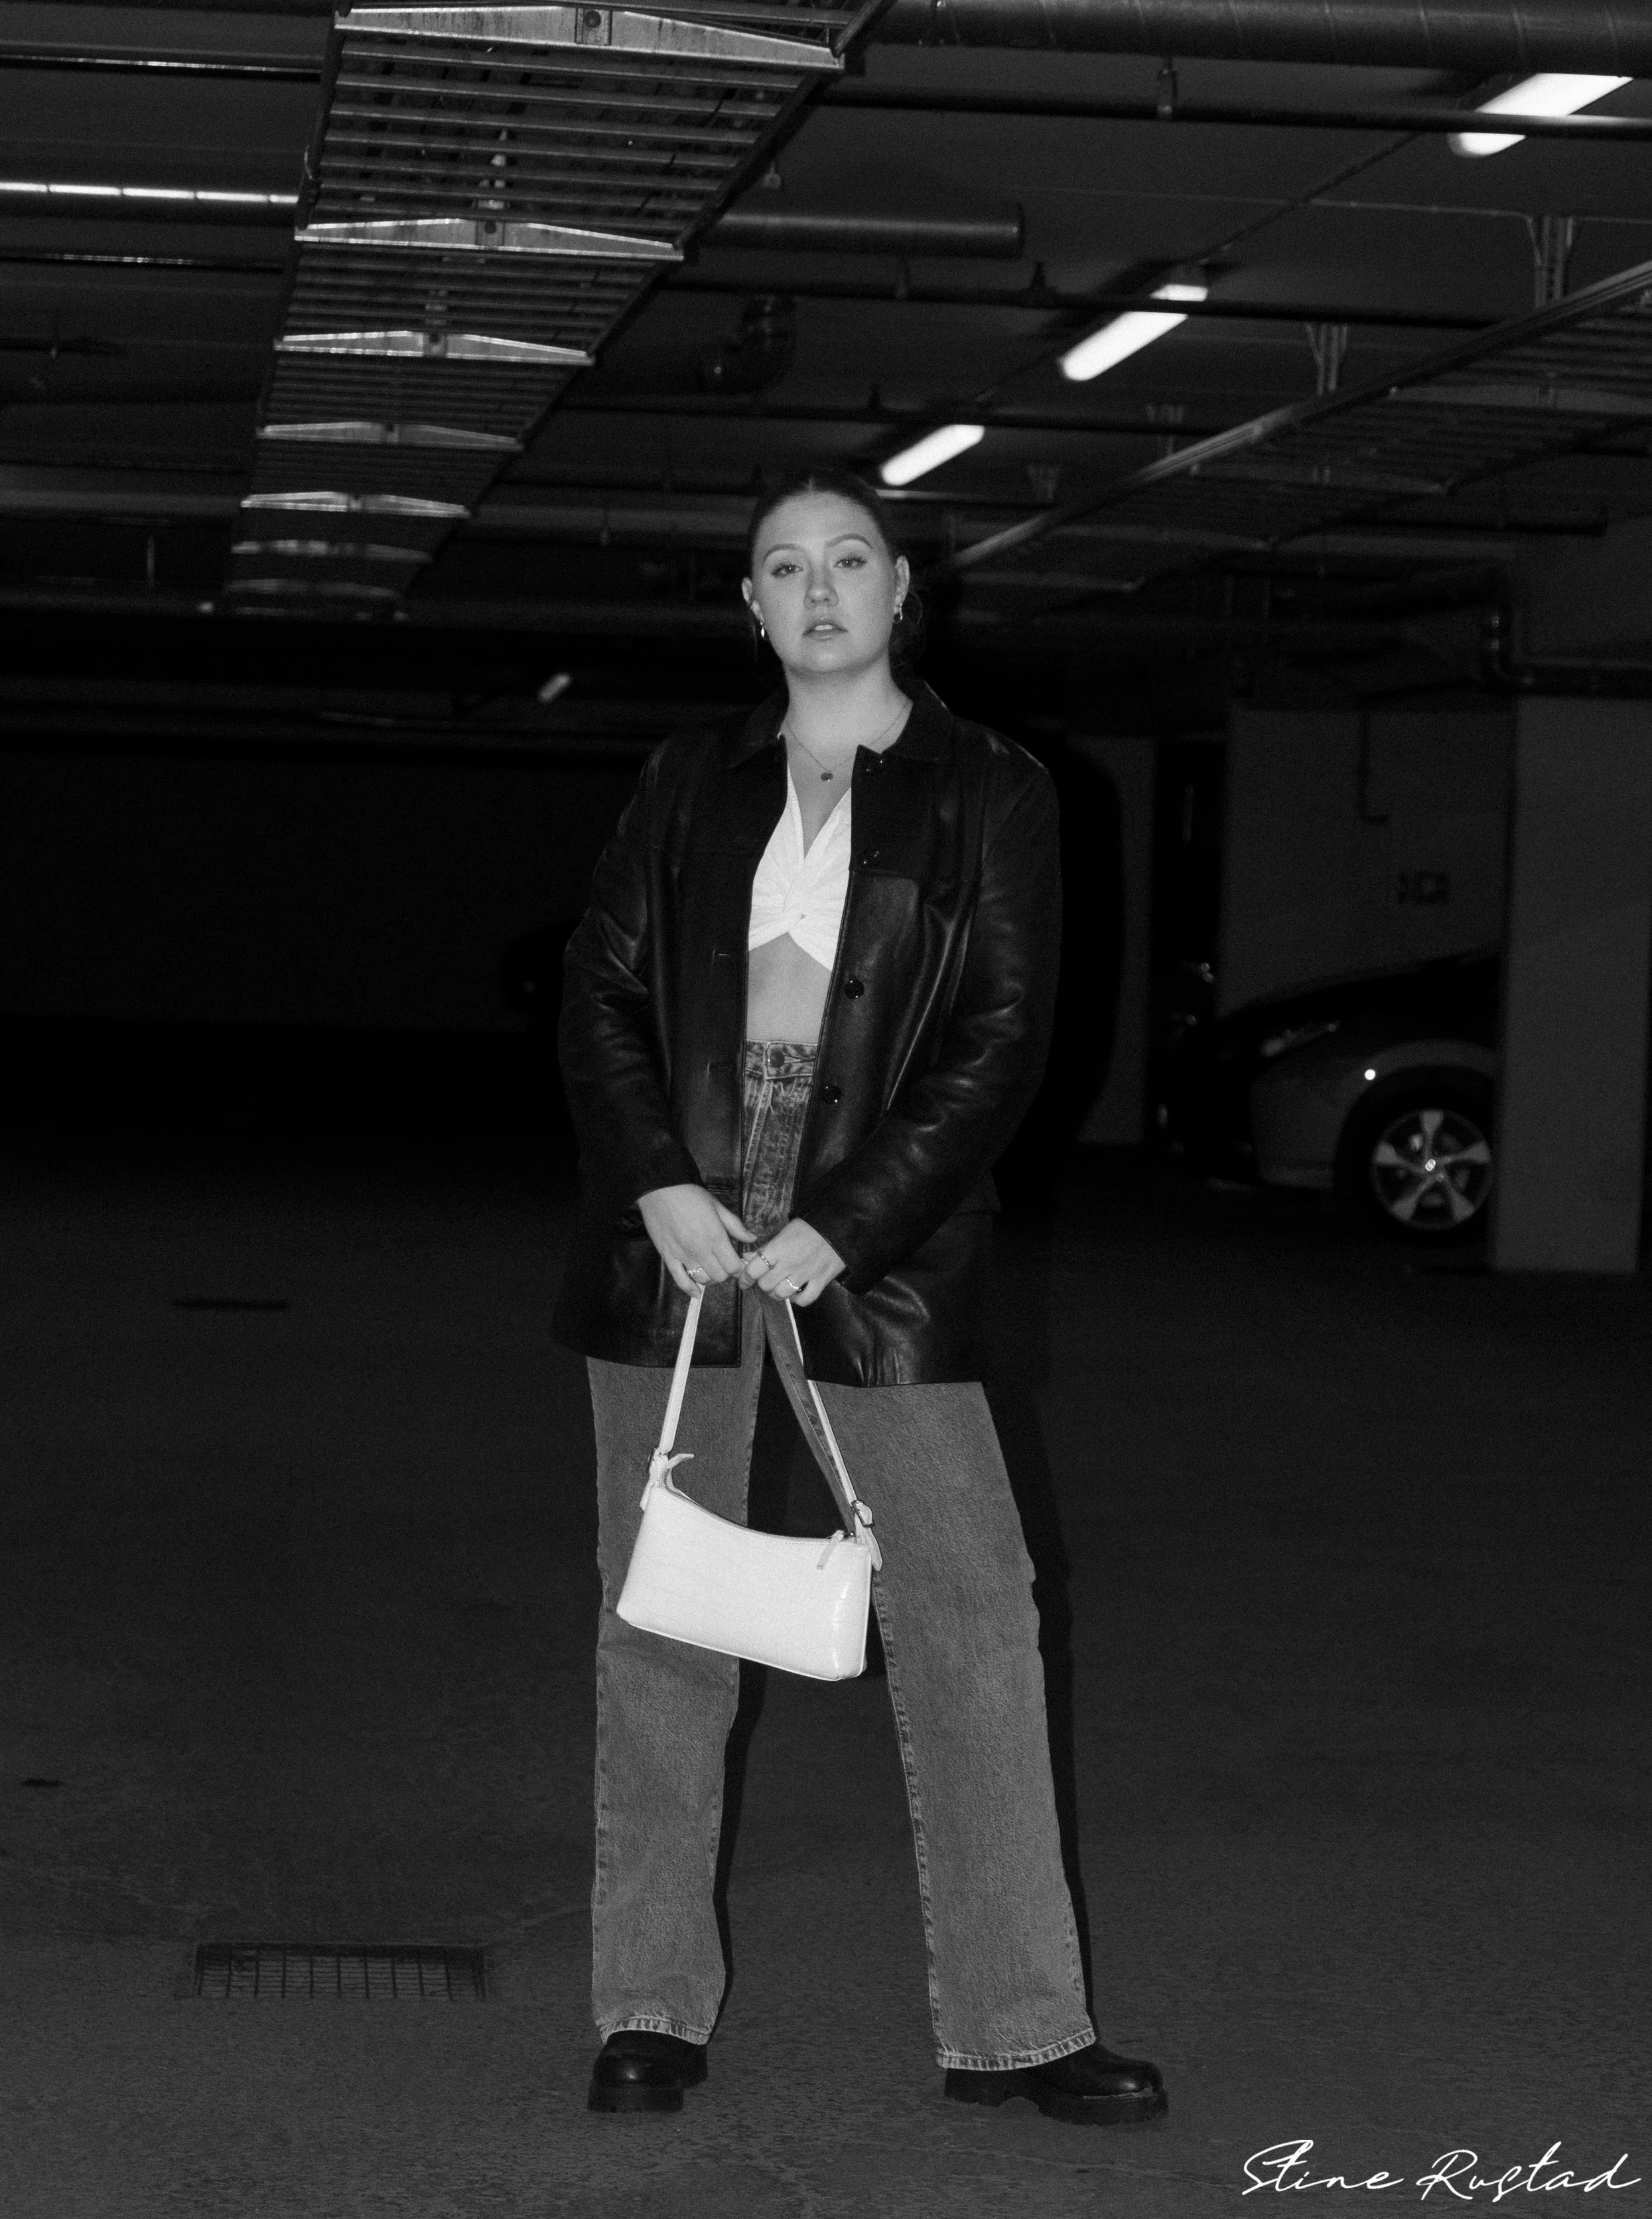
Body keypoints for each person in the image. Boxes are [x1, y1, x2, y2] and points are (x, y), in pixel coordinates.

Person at [551, 465, 1165, 2127]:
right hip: (676, 1254)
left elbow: (1001, 1037)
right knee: (664, 1623)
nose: (816, 588)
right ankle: (647, 2006)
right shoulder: (687, 779)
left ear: (903, 591)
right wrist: (658, 1183)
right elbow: (599, 992)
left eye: (846, 560)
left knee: (969, 1617)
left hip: (879, 1260)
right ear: (750, 607)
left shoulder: (992, 789)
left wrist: (849, 1222)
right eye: (782, 566)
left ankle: (1020, 2024)